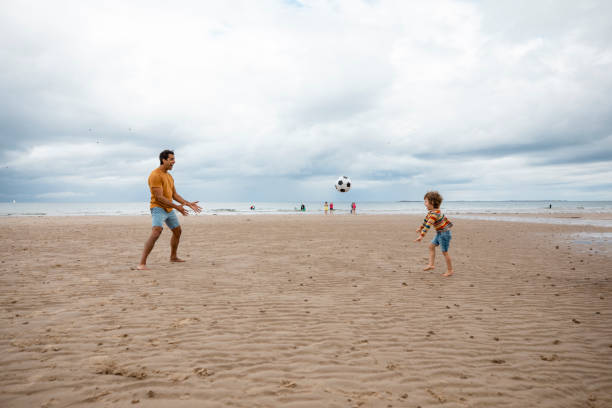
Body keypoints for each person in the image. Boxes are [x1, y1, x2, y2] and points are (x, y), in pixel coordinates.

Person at [137, 150, 202, 270]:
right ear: (164, 160)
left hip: (169, 208)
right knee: (156, 232)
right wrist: (177, 207)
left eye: (174, 159)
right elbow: (159, 197)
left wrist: (187, 203)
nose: (174, 161)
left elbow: (174, 195)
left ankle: (173, 257)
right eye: (171, 159)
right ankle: (142, 263)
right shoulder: (155, 175)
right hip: (157, 207)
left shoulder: (169, 176)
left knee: (177, 231)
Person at [414, 191, 454, 277]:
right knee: (431, 246)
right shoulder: (432, 212)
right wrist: (420, 228)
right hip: (440, 233)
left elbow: (428, 226)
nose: (424, 203)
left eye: (426, 201)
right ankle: (431, 265)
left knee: (445, 252)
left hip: (444, 234)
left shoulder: (435, 214)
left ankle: (450, 270)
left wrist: (421, 236)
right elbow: (426, 221)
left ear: (432, 202)